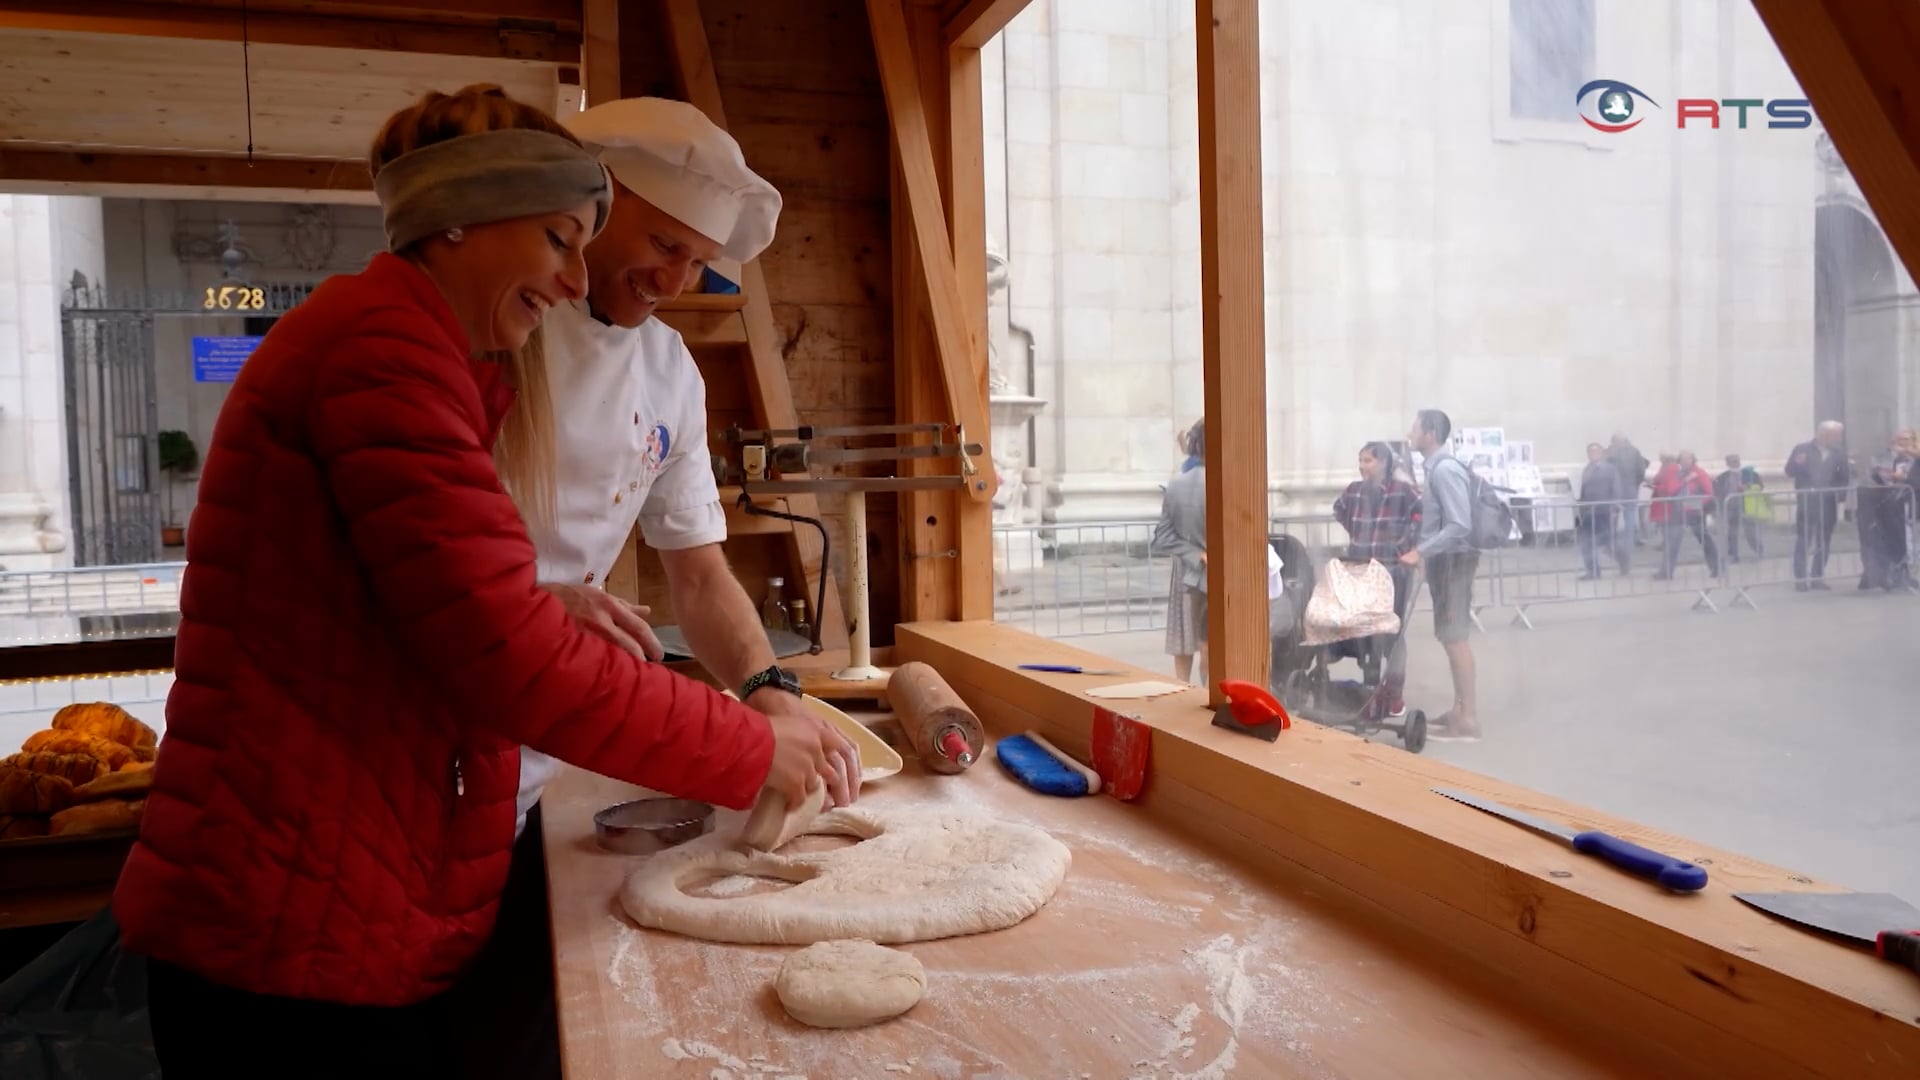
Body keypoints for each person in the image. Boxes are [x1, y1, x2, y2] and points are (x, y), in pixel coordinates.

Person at [112, 85, 856, 1077]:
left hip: (370, 856)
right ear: (464, 220)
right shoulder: (384, 353)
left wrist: (754, 692)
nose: (572, 277)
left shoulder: (427, 349)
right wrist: (745, 749)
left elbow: (411, 598)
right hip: (294, 895)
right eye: (560, 238)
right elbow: (505, 655)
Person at [511, 96, 859, 862]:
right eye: (664, 243)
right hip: (439, 709)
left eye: (698, 259)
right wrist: (529, 605)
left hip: (528, 758)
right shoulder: (503, 329)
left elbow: (699, 576)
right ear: (593, 206)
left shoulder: (670, 370)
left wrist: (769, 688)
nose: (675, 278)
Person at [1401, 409, 1480, 740]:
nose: (1410, 433)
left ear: (1429, 434)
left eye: (1415, 428)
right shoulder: (1437, 468)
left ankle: (1468, 719)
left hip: (1453, 561)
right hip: (1445, 561)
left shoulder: (1444, 470)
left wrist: (1423, 551)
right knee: (1450, 637)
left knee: (1455, 637)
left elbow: (1460, 524)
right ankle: (1459, 709)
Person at [1331, 441, 1421, 716]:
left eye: (1368, 460)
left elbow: (1420, 518)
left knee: (1391, 631)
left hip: (1392, 571)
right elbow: (1340, 511)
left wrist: (1404, 547)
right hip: (1360, 568)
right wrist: (1360, 539)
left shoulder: (1404, 492)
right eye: (1360, 460)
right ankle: (1369, 687)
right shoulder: (1353, 491)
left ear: (1383, 463)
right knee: (1364, 627)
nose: (1362, 466)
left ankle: (1394, 694)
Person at [1154, 419, 1209, 685]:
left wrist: (1194, 554)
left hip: (1186, 570)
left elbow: (1163, 536)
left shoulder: (1176, 485)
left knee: (1184, 638)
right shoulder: (1234, 483)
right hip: (1218, 574)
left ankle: (1183, 691)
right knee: (1210, 641)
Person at [1785, 420, 1851, 590]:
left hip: (1828, 501)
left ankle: (1817, 576)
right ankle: (1800, 578)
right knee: (1804, 539)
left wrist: (1840, 496)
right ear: (1823, 434)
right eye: (1835, 435)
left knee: (1824, 540)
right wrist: (1796, 463)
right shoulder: (1802, 449)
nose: (1838, 438)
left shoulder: (1839, 453)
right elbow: (1789, 471)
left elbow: (1843, 477)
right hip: (1807, 500)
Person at [1858, 429, 1916, 591]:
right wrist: (1886, 474)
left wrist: (1903, 478)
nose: (1903, 443)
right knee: (1888, 541)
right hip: (1886, 505)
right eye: (1899, 440)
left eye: (1906, 440)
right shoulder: (1883, 457)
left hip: (1910, 505)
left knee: (1910, 543)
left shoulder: (1916, 459)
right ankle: (1886, 576)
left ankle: (1906, 575)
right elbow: (1875, 475)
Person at [1650, 451, 1720, 580]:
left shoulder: (1699, 473)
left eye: (1688, 458)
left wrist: (1697, 504)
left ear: (1693, 459)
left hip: (1695, 512)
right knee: (1672, 543)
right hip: (1678, 512)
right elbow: (1673, 489)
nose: (1686, 461)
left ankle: (1717, 567)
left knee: (1705, 540)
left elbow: (1709, 492)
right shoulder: (1679, 473)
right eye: (1683, 459)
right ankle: (1666, 572)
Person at [1573, 442, 1624, 581]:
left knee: (1609, 542)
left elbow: (1616, 488)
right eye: (1590, 452)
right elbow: (1584, 490)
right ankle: (1593, 571)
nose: (1592, 454)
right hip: (1590, 512)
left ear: (1601, 453)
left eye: (1595, 451)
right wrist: (1582, 508)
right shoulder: (1587, 469)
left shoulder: (1610, 469)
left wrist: (1615, 508)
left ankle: (1623, 561)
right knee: (1586, 543)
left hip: (1605, 511)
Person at [1713, 454, 1765, 563]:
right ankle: (1733, 555)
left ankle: (1759, 551)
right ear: (1727, 463)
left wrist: (1747, 487)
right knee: (1732, 533)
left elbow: (1760, 486)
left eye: (1736, 460)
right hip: (1731, 508)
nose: (1735, 463)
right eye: (1732, 461)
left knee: (1751, 532)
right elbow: (1717, 491)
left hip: (1747, 507)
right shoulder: (1722, 477)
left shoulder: (1750, 474)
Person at [1607, 434, 1650, 554]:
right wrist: (1635, 484)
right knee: (1630, 518)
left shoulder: (1610, 452)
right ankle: (1628, 546)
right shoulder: (1634, 451)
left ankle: (1612, 545)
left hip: (1613, 492)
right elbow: (1641, 470)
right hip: (1630, 490)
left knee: (1612, 519)